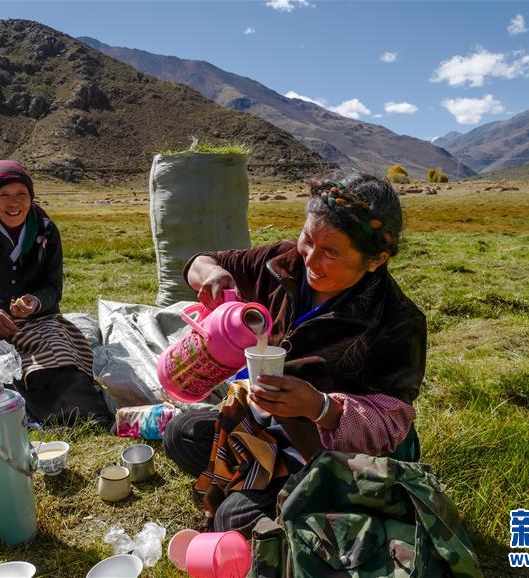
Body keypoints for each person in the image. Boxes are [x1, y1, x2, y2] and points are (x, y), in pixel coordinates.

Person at [163, 172, 426, 537]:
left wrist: (320, 406)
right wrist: (212, 272)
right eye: (308, 240)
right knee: (181, 432)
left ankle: (278, 491)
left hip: (324, 447)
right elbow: (202, 261)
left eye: (331, 253)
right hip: (265, 426)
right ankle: (263, 482)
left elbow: (392, 423)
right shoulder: (281, 262)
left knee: (233, 519)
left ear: (375, 260)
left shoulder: (397, 320)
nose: (311, 260)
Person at [0, 160, 112, 427]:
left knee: (59, 355)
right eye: (4, 196)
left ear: (31, 197)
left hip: (37, 319)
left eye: (21, 194)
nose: (13, 204)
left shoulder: (45, 231)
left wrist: (36, 302)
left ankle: (75, 413)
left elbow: (53, 288)